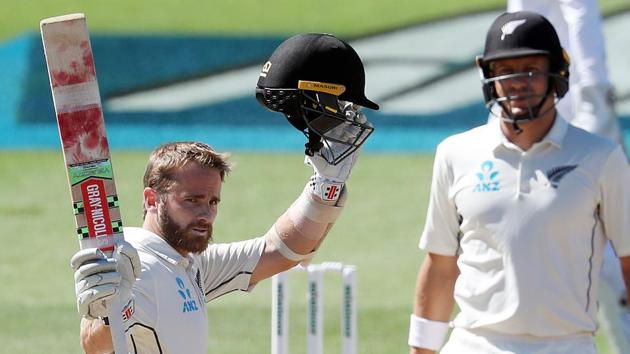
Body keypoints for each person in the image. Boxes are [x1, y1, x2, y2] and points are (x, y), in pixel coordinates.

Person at [71, 33, 378, 354]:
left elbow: (282, 250)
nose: (205, 213)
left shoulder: (190, 265)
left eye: (212, 201)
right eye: (192, 200)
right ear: (151, 199)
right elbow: (96, 344)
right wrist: (103, 314)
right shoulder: (137, 266)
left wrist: (326, 183)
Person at [408, 11, 630, 354]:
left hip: (567, 345)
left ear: (556, 72)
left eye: (531, 69)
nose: (517, 81)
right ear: (488, 75)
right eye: (504, 70)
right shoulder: (455, 153)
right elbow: (440, 265)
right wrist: (421, 351)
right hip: (474, 344)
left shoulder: (600, 157)